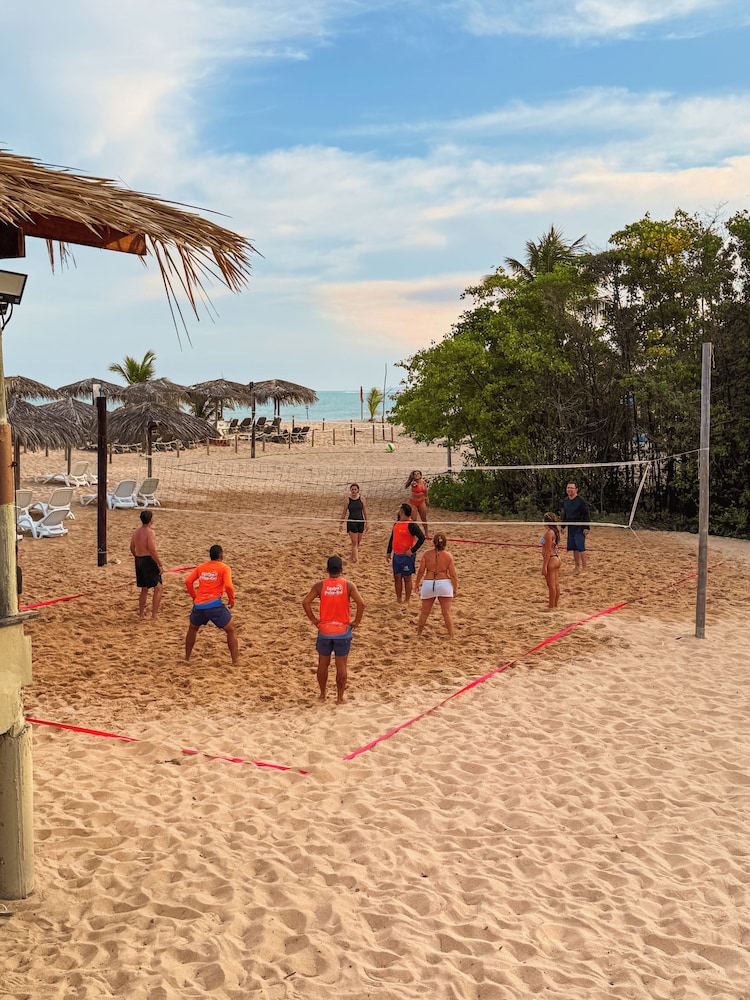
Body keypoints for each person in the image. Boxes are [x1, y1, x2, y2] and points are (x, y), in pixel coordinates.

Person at [302, 555, 365, 704]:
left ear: (327, 570)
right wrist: (356, 621)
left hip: (324, 631)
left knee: (323, 664)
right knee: (341, 665)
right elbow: (361, 604)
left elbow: (305, 602)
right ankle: (340, 698)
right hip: (342, 631)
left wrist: (314, 620)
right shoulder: (348, 585)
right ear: (341, 569)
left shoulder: (320, 585)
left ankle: (322, 695)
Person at [184, 544, 239, 664]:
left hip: (199, 605)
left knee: (192, 628)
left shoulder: (201, 567)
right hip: (214, 605)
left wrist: (194, 597)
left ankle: (187, 658)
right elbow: (229, 586)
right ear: (221, 555)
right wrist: (231, 599)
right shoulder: (224, 568)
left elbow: (188, 581)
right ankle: (235, 661)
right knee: (231, 630)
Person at [415, 531, 457, 637]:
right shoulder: (448, 556)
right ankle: (451, 635)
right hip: (444, 582)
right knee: (446, 613)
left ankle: (419, 633)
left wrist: (417, 583)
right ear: (445, 543)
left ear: (434, 542)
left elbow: (421, 571)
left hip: (429, 582)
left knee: (425, 612)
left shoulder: (427, 554)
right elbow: (452, 574)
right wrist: (455, 588)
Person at [386, 502, 425, 604]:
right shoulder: (397, 523)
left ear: (402, 512)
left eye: (399, 510)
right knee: (397, 577)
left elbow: (422, 538)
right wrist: (388, 552)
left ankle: (407, 600)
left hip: (406, 556)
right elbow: (392, 538)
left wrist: (412, 550)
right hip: (397, 555)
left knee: (407, 578)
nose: (398, 511)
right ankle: (399, 599)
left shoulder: (411, 524)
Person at [129, 509, 164, 620]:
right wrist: (159, 564)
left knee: (144, 589)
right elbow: (152, 549)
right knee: (158, 588)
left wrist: (137, 557)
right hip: (148, 560)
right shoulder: (149, 532)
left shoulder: (136, 532)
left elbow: (132, 548)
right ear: (151, 520)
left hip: (139, 560)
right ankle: (154, 615)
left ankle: (141, 614)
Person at [561, 482, 591, 571]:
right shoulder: (566, 501)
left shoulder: (581, 501)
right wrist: (563, 526)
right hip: (571, 528)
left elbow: (586, 514)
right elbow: (566, 515)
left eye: (571, 488)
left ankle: (584, 568)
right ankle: (577, 567)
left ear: (576, 489)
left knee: (581, 547)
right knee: (574, 548)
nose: (569, 489)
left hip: (580, 527)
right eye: (568, 488)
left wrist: (586, 527)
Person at [339, 483, 369, 563]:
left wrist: (367, 523)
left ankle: (352, 556)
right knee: (354, 542)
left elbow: (365, 511)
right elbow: (344, 512)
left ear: (358, 490)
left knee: (358, 542)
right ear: (350, 490)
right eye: (352, 489)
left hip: (360, 522)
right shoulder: (347, 500)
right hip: (351, 522)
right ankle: (355, 560)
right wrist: (341, 523)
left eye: (355, 489)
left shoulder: (362, 499)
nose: (354, 491)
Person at [540, 512, 561, 609]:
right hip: (556, 557)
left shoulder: (549, 533)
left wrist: (544, 566)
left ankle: (551, 606)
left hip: (551, 558)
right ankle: (554, 605)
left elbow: (548, 550)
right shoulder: (554, 532)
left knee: (551, 585)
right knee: (555, 584)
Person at [405, 469, 429, 535]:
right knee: (414, 519)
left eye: (418, 474)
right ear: (413, 476)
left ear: (420, 475)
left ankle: (426, 533)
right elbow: (413, 486)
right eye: (415, 474)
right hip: (413, 502)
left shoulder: (423, 482)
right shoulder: (413, 483)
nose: (417, 475)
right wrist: (413, 485)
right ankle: (413, 533)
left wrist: (426, 497)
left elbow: (425, 491)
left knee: (424, 518)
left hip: (421, 501)